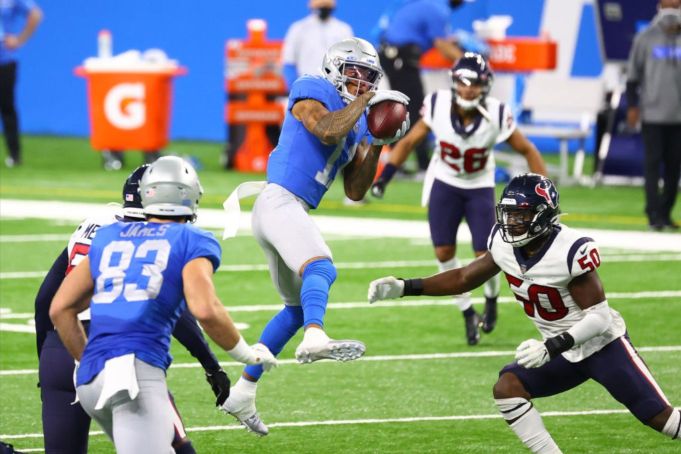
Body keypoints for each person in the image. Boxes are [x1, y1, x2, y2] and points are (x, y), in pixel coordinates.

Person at [368, 173, 681, 453]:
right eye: (508, 214)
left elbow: (598, 318)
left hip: (601, 346)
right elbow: (465, 278)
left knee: (663, 420)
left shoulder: (569, 250)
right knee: (508, 388)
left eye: (521, 215)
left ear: (543, 216)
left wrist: (550, 347)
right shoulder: (504, 245)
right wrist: (406, 286)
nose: (512, 222)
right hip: (559, 351)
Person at [220, 37, 409, 435]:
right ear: (335, 69)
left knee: (294, 309)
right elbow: (324, 129)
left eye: (369, 78)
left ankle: (243, 391)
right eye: (355, 74)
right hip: (278, 201)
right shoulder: (313, 87)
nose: (362, 84)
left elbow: (355, 190)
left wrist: (377, 142)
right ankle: (316, 337)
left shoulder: (356, 121)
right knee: (321, 266)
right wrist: (368, 103)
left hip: (289, 210)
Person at [49, 156, 278, 453]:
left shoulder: (108, 235)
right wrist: (247, 355)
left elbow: (59, 308)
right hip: (136, 376)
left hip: (91, 381)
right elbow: (205, 309)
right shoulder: (191, 239)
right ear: (191, 195)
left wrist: (90, 362)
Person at [372, 53, 547, 345]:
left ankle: (491, 299)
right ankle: (466, 311)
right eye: (464, 82)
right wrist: (385, 176)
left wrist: (544, 189)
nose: (469, 89)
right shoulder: (438, 105)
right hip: (446, 183)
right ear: (454, 83)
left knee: (487, 255)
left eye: (475, 83)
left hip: (479, 186)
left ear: (485, 86)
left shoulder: (497, 113)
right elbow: (411, 140)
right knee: (443, 253)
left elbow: (527, 150)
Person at [375, 0, 464, 173]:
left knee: (405, 108)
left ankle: (398, 162)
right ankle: (420, 164)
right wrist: (468, 61)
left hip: (395, 57)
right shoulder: (438, 9)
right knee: (415, 110)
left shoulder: (431, 5)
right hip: (400, 59)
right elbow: (443, 46)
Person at [626, 0, 681, 231]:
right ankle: (653, 214)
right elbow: (632, 77)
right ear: (659, 5)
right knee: (652, 165)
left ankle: (666, 213)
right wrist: (632, 107)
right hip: (652, 113)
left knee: (674, 167)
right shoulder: (645, 37)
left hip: (678, 115)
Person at [0, 0, 42, 168]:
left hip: (4, 60)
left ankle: (14, 155)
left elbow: (35, 14)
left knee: (7, 107)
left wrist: (19, 39)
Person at [282, 0, 353, 90]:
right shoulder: (298, 29)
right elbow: (289, 61)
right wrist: (295, 87)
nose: (323, 8)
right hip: (306, 87)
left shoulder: (343, 30)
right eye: (320, 5)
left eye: (326, 5)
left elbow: (349, 62)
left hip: (335, 89)